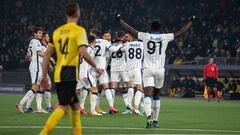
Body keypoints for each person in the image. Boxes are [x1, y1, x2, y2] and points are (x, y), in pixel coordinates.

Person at [116, 13, 195, 128]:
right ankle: (155, 121)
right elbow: (180, 32)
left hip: (147, 69)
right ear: (160, 29)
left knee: (147, 94)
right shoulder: (165, 37)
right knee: (156, 95)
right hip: (160, 70)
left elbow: (130, 29)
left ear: (151, 28)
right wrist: (191, 22)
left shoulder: (145, 36)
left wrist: (119, 19)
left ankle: (148, 117)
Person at [39, 2, 103, 135]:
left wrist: (44, 75)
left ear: (66, 13)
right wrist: (96, 66)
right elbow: (84, 53)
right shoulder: (79, 31)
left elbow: (46, 54)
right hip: (69, 72)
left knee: (75, 106)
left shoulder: (57, 32)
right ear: (78, 13)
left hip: (58, 73)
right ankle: (43, 133)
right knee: (64, 107)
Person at [90, 28, 120, 114]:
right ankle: (111, 106)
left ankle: (93, 108)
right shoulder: (105, 43)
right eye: (105, 36)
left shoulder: (92, 42)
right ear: (102, 36)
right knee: (106, 87)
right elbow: (114, 49)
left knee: (94, 88)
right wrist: (120, 46)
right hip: (101, 68)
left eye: (108, 36)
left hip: (93, 67)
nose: (107, 37)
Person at [16, 27, 46, 113]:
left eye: (41, 33)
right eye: (39, 33)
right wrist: (49, 56)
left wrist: (30, 57)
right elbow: (39, 53)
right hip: (36, 67)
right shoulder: (36, 42)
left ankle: (27, 107)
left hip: (34, 66)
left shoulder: (32, 42)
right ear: (35, 34)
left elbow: (28, 55)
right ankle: (21, 104)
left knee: (36, 88)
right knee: (34, 88)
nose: (41, 34)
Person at [76, 35, 102, 116]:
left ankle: (79, 107)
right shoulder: (90, 49)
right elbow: (88, 60)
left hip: (81, 73)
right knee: (94, 89)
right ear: (94, 42)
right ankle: (93, 111)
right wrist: (97, 68)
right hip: (85, 74)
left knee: (78, 91)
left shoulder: (84, 48)